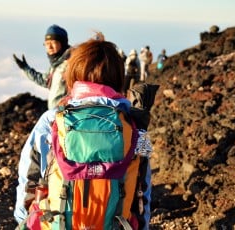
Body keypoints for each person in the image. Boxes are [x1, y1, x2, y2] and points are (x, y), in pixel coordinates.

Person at [14, 37, 153, 229]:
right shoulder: (137, 127)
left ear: (73, 76)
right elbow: (143, 192)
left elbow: (27, 182)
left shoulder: (51, 120)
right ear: (119, 79)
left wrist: (25, 220)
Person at [13, 24, 71, 109]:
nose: (49, 47)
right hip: (56, 115)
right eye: (47, 43)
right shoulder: (55, 65)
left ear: (62, 43)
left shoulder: (70, 64)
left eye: (53, 42)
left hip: (66, 116)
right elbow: (44, 81)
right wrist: (26, 68)